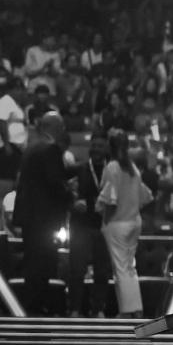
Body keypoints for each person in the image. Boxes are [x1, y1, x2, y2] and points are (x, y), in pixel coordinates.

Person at [12, 112, 75, 316]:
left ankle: (31, 305)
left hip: (29, 215)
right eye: (61, 126)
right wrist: (71, 198)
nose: (63, 130)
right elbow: (54, 181)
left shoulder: (32, 147)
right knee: (43, 263)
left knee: (33, 261)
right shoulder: (50, 148)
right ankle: (36, 306)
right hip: (43, 217)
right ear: (55, 127)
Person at [97, 129, 154, 318]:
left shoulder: (112, 167)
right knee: (129, 267)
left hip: (118, 223)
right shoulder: (133, 168)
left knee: (121, 268)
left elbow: (110, 201)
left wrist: (105, 221)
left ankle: (127, 311)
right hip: (134, 221)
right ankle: (136, 309)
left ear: (110, 146)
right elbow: (144, 197)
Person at [68, 132, 112, 318]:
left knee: (102, 270)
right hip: (81, 225)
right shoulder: (79, 169)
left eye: (100, 146)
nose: (95, 149)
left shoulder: (113, 171)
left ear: (107, 149)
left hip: (104, 225)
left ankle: (99, 308)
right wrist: (73, 201)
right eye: (93, 145)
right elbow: (64, 189)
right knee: (77, 268)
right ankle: (75, 309)